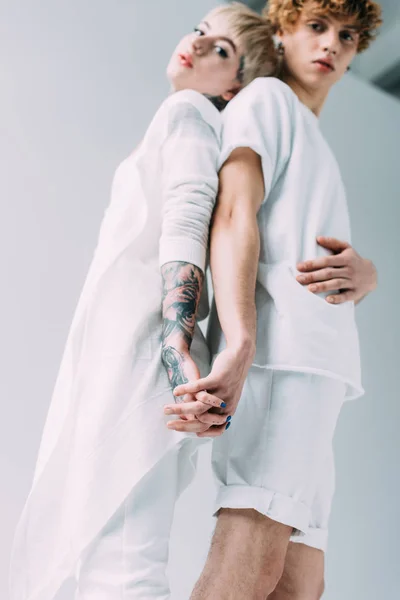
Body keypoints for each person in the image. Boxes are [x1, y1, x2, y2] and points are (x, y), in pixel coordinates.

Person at [8, 5, 280, 600]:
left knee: (119, 566)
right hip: (131, 351)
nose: (198, 44)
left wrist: (174, 341)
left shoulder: (190, 112)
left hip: (146, 355)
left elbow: (187, 210)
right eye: (200, 31)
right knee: (106, 558)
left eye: (223, 49)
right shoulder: (183, 117)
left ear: (234, 87)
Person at [164, 1, 382, 599]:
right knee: (251, 554)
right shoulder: (267, 101)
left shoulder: (312, 137)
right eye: (316, 26)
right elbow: (234, 214)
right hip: (281, 359)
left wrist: (367, 277)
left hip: (319, 372)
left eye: (348, 36)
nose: (332, 45)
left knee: (297, 583)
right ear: (282, 32)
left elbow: (305, 256)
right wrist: (239, 343)